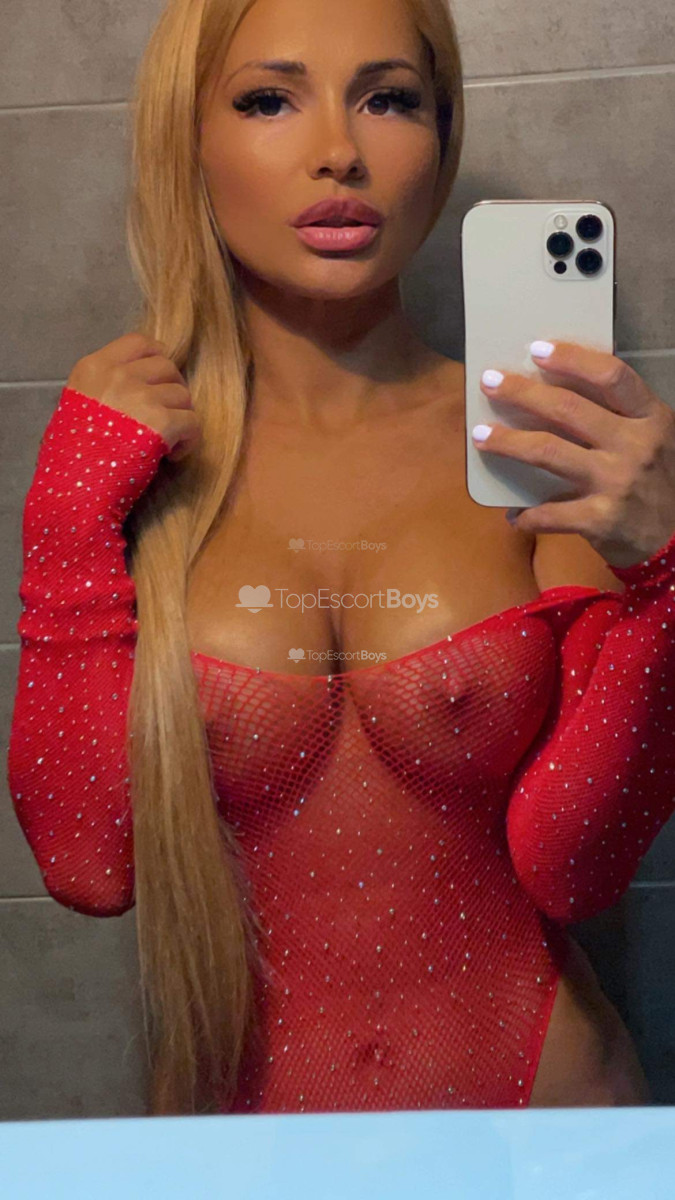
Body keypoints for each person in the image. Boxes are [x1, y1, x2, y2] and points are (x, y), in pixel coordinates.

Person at [7, 0, 675, 1118]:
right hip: (239, 1149)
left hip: (544, 1129)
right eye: (270, 99)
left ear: (441, 138)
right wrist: (66, 522)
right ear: (188, 141)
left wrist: (667, 584)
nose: (339, 151)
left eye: (389, 99)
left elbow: (576, 866)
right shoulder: (129, 459)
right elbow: (87, 863)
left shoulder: (536, 448)